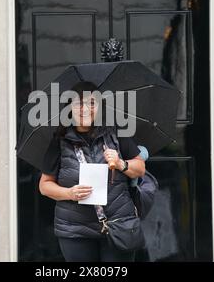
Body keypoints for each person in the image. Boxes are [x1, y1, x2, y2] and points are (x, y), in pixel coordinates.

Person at [39, 81, 146, 262]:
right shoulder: (59, 141)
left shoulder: (116, 133)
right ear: (70, 108)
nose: (85, 109)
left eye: (91, 103)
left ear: (99, 107)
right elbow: (44, 185)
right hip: (75, 229)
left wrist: (121, 164)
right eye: (78, 103)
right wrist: (69, 193)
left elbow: (140, 169)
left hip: (118, 224)